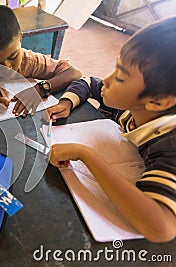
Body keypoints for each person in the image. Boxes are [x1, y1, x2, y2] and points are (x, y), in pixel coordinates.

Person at [48, 17, 176, 242]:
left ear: (157, 101)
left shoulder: (168, 144)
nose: (107, 80)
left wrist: (86, 154)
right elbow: (90, 83)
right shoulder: (133, 111)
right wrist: (66, 103)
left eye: (120, 77)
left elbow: (161, 228)